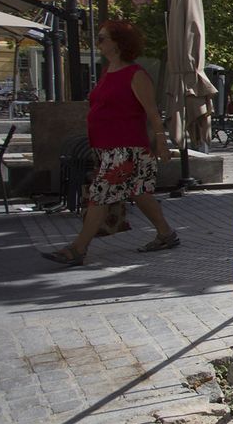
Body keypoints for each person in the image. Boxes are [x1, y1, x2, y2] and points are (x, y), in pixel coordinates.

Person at [43, 20, 179, 267]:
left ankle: (77, 249)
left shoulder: (136, 75)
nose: (98, 42)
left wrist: (161, 142)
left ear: (118, 43)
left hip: (128, 149)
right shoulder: (108, 72)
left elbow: (152, 113)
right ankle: (166, 234)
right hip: (110, 148)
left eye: (103, 38)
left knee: (100, 196)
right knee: (139, 194)